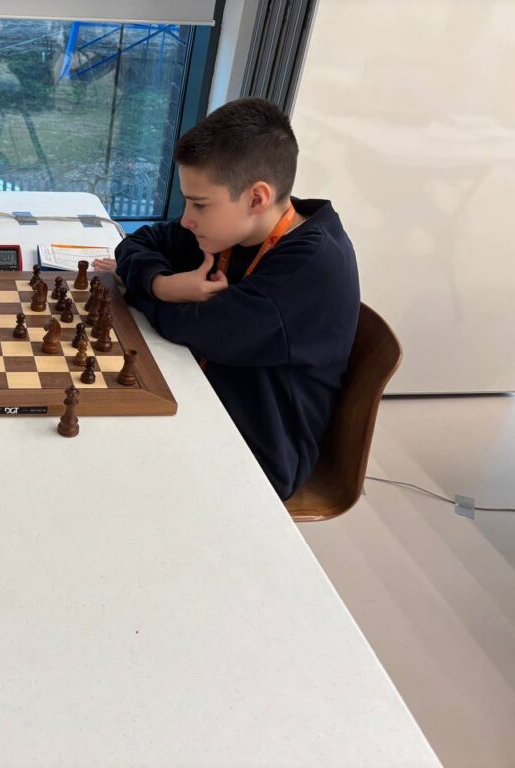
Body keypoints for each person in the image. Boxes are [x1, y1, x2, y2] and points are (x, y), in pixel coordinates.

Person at [99, 98, 359, 499]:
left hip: (256, 450)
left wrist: (137, 288)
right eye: (187, 200)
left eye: (199, 204)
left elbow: (196, 327)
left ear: (256, 198)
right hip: (197, 393)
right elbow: (137, 243)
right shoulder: (232, 227)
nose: (187, 218)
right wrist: (163, 286)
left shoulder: (312, 265)